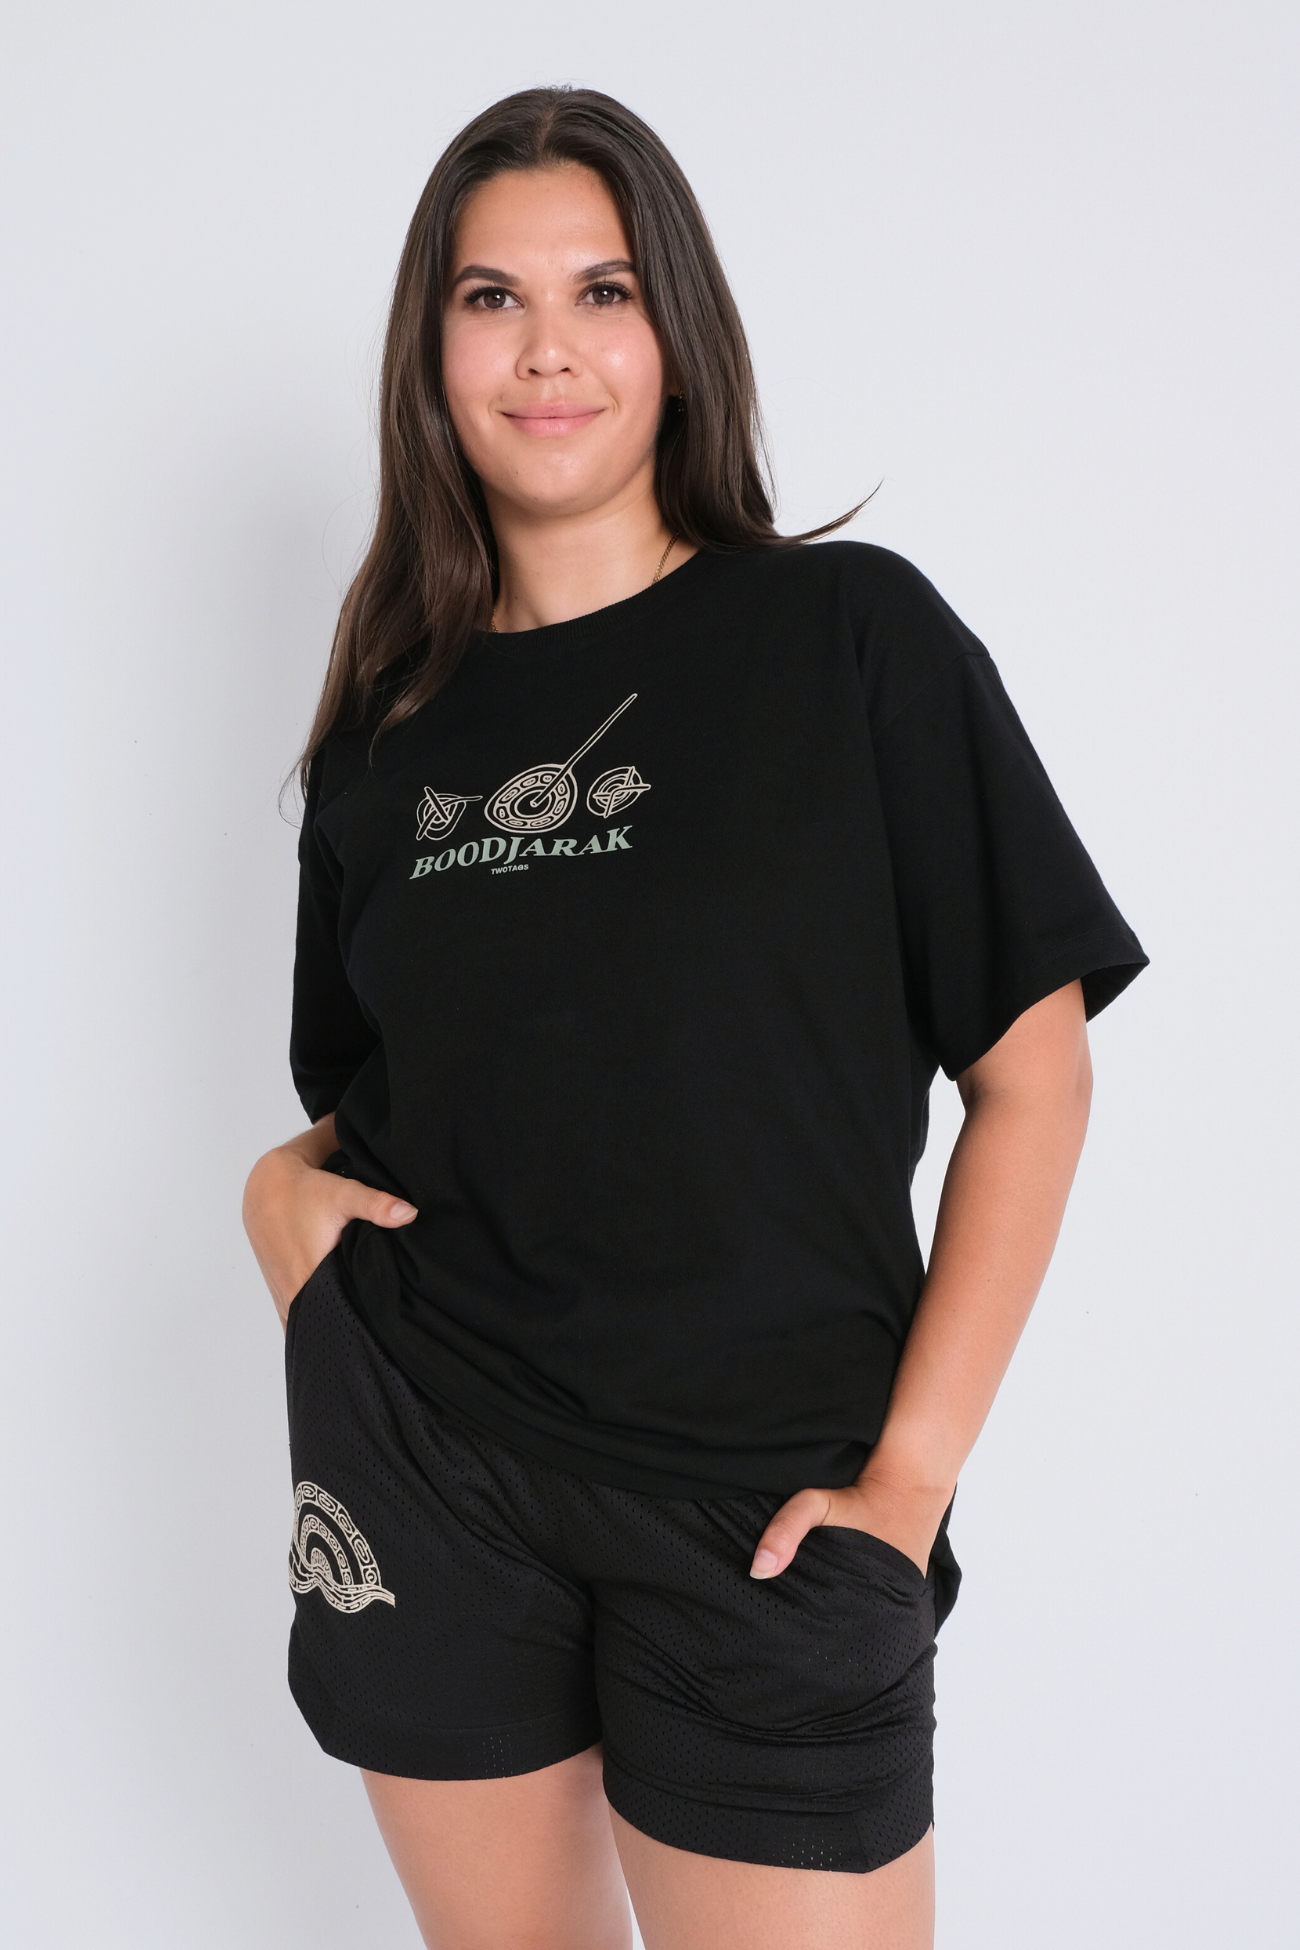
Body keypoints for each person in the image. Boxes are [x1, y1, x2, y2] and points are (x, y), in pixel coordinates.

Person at [242, 85, 1146, 1950]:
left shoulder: (851, 639)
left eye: (605, 290)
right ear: (431, 351)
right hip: (430, 1463)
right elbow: (399, 1094)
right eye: (491, 298)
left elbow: (1034, 1074)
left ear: (678, 335)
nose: (547, 348)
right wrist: (278, 1197)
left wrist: (910, 1479)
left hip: (769, 1500)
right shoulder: (391, 733)